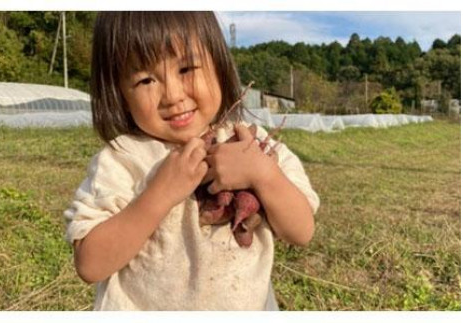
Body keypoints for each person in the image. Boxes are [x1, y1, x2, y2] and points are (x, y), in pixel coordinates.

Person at [64, 11, 319, 311]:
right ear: (119, 94)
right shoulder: (123, 159)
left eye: (186, 68)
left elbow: (301, 232)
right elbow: (90, 265)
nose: (172, 95)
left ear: (219, 65)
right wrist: (160, 193)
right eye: (146, 79)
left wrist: (263, 175)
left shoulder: (250, 142)